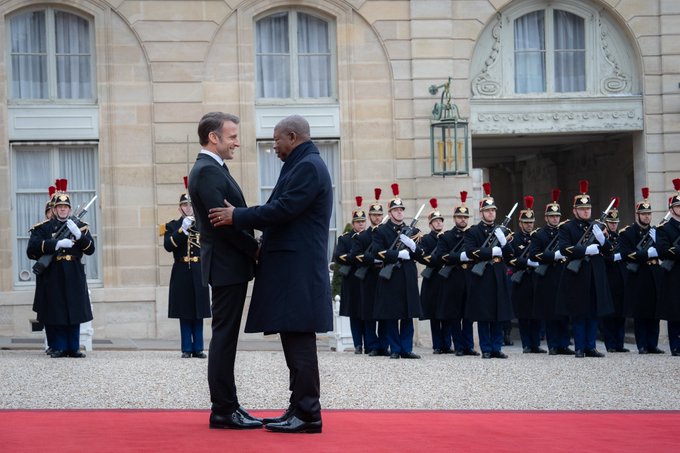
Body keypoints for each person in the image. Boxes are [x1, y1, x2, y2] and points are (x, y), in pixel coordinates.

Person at [209, 115, 333, 434]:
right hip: (291, 269)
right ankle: (298, 407)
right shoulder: (300, 163)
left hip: (298, 270)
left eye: (276, 140)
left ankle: (308, 413)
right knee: (293, 340)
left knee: (299, 341)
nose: (274, 146)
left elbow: (283, 210)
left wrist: (238, 216)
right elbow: (283, 211)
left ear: (292, 136)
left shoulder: (307, 167)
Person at [187, 112, 261, 430]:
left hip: (229, 263)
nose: (237, 142)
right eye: (232, 136)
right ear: (213, 138)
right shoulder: (206, 171)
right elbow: (224, 223)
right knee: (224, 337)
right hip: (226, 263)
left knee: (226, 336)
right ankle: (223, 409)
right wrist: (255, 249)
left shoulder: (213, 168)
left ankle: (229, 405)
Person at [27, 178, 95, 358]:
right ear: (55, 209)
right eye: (59, 207)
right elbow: (32, 249)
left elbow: (90, 249)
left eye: (66, 207)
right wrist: (55, 244)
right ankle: (57, 346)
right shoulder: (43, 228)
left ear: (70, 209)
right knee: (55, 310)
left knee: (73, 309)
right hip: (53, 272)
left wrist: (79, 235)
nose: (63, 210)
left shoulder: (80, 227)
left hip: (73, 271)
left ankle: (73, 347)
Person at [556, 180, 614, 358]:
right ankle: (580, 347)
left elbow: (609, 253)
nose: (585, 211)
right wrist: (584, 250)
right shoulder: (567, 227)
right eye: (581, 209)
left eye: (588, 208)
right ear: (575, 210)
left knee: (594, 312)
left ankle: (591, 346)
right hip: (577, 274)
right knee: (579, 312)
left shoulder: (598, 227)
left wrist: (603, 240)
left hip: (595, 273)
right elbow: (564, 248)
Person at [372, 183, 423, 359]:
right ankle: (395, 348)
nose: (399, 212)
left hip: (407, 275)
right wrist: (396, 254)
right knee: (392, 314)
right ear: (390, 212)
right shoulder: (382, 231)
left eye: (401, 209)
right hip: (391, 276)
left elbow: (422, 255)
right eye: (396, 210)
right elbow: (376, 252)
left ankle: (406, 348)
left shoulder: (413, 231)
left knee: (408, 314)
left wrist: (412, 246)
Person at [464, 182, 514, 359]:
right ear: (481, 212)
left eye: (493, 210)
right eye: (487, 210)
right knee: (484, 313)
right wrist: (491, 251)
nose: (491, 213)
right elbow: (470, 251)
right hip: (483, 275)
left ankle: (496, 347)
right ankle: (486, 348)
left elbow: (510, 255)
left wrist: (504, 242)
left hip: (498, 273)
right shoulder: (473, 231)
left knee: (499, 313)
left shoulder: (502, 231)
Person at [162, 177, 211, 358]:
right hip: (181, 270)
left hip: (199, 271)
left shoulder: (202, 225)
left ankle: (198, 348)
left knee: (198, 311)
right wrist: (182, 230)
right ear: (180, 208)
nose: (188, 208)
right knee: (184, 310)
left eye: (190, 205)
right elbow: (168, 246)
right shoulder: (173, 226)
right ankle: (186, 349)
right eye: (185, 205)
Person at [528, 189, 574, 355]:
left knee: (564, 312)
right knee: (551, 313)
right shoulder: (539, 234)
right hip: (548, 276)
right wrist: (552, 256)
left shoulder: (566, 231)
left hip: (564, 274)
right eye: (552, 216)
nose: (555, 219)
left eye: (557, 216)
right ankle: (553, 345)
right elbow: (534, 254)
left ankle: (564, 343)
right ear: (546, 217)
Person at [432, 191, 478, 356]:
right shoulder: (447, 236)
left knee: (468, 315)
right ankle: (459, 346)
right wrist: (460, 257)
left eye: (465, 217)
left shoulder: (473, 235)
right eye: (459, 217)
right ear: (454, 218)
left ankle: (469, 346)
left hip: (469, 277)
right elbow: (440, 256)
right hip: (453, 278)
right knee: (455, 314)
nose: (463, 220)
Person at [620, 188, 665, 354]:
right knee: (641, 311)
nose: (647, 216)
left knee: (655, 310)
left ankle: (653, 344)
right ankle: (642, 345)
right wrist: (646, 253)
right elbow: (626, 254)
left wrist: (657, 244)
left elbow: (664, 250)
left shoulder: (655, 232)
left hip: (654, 272)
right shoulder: (628, 233)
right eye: (644, 213)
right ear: (637, 215)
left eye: (649, 214)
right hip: (639, 274)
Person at [351, 188, 390, 357]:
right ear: (370, 216)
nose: (377, 218)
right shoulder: (362, 237)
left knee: (384, 313)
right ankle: (372, 345)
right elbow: (355, 256)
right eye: (374, 215)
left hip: (384, 277)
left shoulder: (387, 234)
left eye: (379, 215)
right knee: (368, 314)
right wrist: (372, 260)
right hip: (368, 277)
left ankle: (383, 345)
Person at [509, 195, 545, 353]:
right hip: (522, 279)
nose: (529, 225)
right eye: (526, 222)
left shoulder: (538, 237)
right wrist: (526, 263)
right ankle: (526, 344)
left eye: (531, 222)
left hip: (536, 278)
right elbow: (510, 260)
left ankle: (536, 343)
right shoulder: (515, 239)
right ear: (520, 223)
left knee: (537, 313)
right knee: (524, 315)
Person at [333, 197, 367, 354]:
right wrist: (353, 257)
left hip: (366, 277)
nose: (361, 224)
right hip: (352, 277)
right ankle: (358, 344)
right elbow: (338, 256)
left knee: (366, 313)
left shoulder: (369, 237)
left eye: (362, 221)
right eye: (358, 221)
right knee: (354, 313)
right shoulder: (345, 238)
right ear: (353, 223)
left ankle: (369, 343)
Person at [418, 198, 450, 354]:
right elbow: (422, 256)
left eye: (440, 221)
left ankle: (447, 344)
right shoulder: (425, 239)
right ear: (430, 225)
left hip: (446, 277)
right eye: (435, 221)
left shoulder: (448, 237)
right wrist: (435, 258)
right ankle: (437, 345)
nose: (438, 224)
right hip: (433, 277)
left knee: (447, 312)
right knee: (434, 314)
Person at [600, 198, 629, 353]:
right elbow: (602, 257)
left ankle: (619, 343)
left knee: (620, 313)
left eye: (615, 222)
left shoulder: (621, 237)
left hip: (621, 278)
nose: (613, 225)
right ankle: (610, 344)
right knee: (610, 314)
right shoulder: (603, 238)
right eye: (611, 223)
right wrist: (613, 257)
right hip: (608, 278)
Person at [656, 178, 680, 356]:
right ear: (671, 209)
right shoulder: (665, 229)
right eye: (677, 207)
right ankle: (676, 345)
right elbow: (663, 251)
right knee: (675, 312)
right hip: (674, 274)